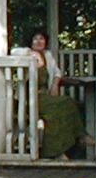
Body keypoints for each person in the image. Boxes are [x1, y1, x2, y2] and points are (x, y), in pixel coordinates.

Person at [22, 28, 88, 159]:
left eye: (41, 38)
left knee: (60, 111)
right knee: (66, 103)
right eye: (35, 39)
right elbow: (13, 52)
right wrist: (31, 53)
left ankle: (60, 152)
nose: (39, 41)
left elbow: (57, 72)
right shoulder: (25, 54)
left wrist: (55, 85)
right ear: (30, 41)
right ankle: (81, 137)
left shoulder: (48, 55)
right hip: (31, 98)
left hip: (46, 96)